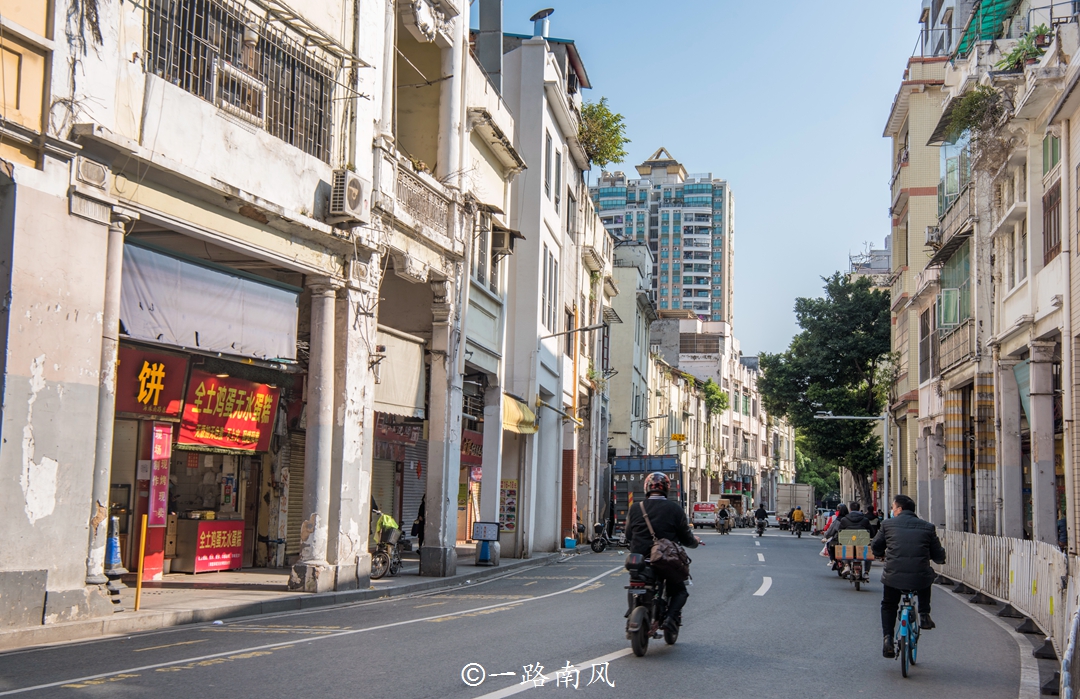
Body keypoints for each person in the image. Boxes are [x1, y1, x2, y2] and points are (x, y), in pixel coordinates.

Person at [872, 493, 946, 659]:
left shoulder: (887, 525)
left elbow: (876, 545)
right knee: (926, 576)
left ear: (899, 509)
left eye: (893, 507)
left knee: (889, 604)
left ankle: (888, 639)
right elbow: (937, 553)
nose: (892, 510)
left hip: (893, 576)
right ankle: (925, 614)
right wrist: (941, 558)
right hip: (919, 578)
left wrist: (879, 554)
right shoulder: (927, 527)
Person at [625, 472, 701, 632]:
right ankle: (671, 618)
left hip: (639, 561)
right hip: (664, 561)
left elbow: (628, 535)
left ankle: (631, 609)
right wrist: (695, 542)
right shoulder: (675, 509)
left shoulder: (635, 508)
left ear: (646, 488)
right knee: (680, 591)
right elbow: (686, 538)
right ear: (667, 489)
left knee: (635, 583)